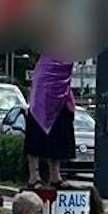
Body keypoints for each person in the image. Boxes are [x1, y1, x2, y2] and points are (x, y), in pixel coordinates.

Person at [26, 52, 77, 188]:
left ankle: (55, 174)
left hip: (63, 80)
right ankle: (34, 175)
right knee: (37, 123)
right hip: (46, 77)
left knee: (60, 126)